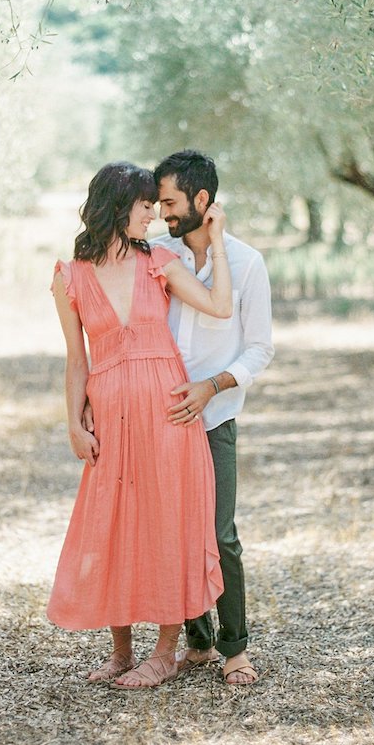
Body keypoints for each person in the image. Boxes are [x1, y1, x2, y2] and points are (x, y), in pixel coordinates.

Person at [47, 160, 234, 690]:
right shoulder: (70, 276)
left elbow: (220, 306)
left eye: (155, 205)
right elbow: (76, 359)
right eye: (145, 205)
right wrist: (74, 423)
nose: (152, 215)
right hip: (111, 420)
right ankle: (121, 652)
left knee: (167, 523)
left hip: (168, 416)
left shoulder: (160, 262)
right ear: (117, 206)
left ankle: (166, 652)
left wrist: (218, 241)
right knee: (113, 527)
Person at [151, 149, 274, 686]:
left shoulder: (246, 263)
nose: (163, 214)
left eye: (170, 203)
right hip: (163, 420)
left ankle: (235, 649)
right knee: (176, 534)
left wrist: (212, 387)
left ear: (202, 200)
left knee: (221, 535)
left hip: (216, 418)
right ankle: (197, 642)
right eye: (159, 204)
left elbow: (260, 349)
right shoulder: (160, 256)